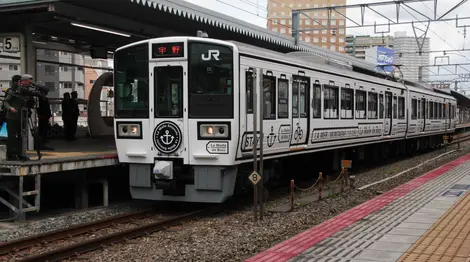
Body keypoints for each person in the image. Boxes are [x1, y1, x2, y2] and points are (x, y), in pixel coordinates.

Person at [4, 74, 41, 161]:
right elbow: (6, 102)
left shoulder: (27, 92)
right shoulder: (13, 91)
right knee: (12, 137)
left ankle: (21, 154)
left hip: (22, 117)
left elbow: (31, 104)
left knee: (22, 136)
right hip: (12, 117)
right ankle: (11, 154)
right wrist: (11, 108)